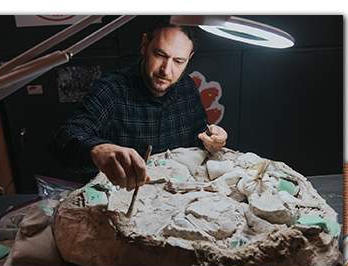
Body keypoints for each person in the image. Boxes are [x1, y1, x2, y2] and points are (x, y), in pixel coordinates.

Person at [50, 16, 228, 190]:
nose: (166, 70)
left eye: (178, 61)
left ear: (189, 57)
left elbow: (199, 135)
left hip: (175, 197)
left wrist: (212, 138)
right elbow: (63, 138)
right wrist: (97, 150)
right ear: (145, 45)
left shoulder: (187, 87)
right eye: (160, 55)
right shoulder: (112, 89)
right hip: (124, 199)